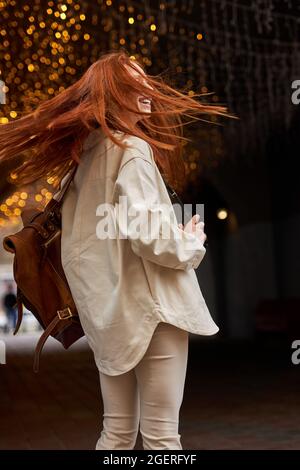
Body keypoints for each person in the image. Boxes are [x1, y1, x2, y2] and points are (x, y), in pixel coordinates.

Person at [0, 49, 231, 450]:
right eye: (132, 82)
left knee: (116, 434)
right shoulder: (132, 151)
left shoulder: (83, 163)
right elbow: (151, 239)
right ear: (110, 93)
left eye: (144, 78)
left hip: (112, 321)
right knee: (162, 439)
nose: (146, 88)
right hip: (154, 313)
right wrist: (190, 243)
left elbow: (91, 247)